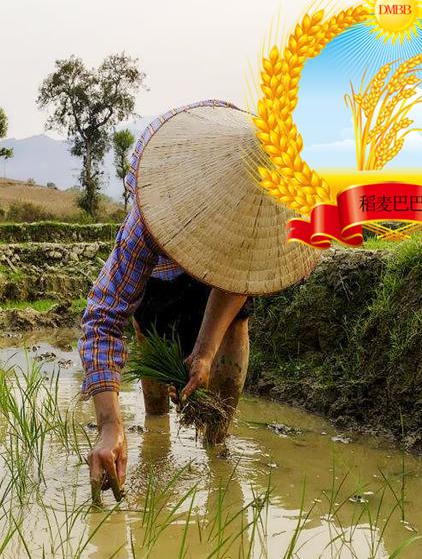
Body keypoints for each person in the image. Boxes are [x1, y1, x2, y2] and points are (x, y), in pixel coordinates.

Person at [79, 100, 321, 501]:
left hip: (222, 283)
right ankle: (156, 446)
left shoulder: (258, 207)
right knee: (154, 384)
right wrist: (109, 425)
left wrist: (205, 350)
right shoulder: (153, 214)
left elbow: (242, 273)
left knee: (231, 335)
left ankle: (218, 445)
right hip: (159, 280)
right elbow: (103, 318)